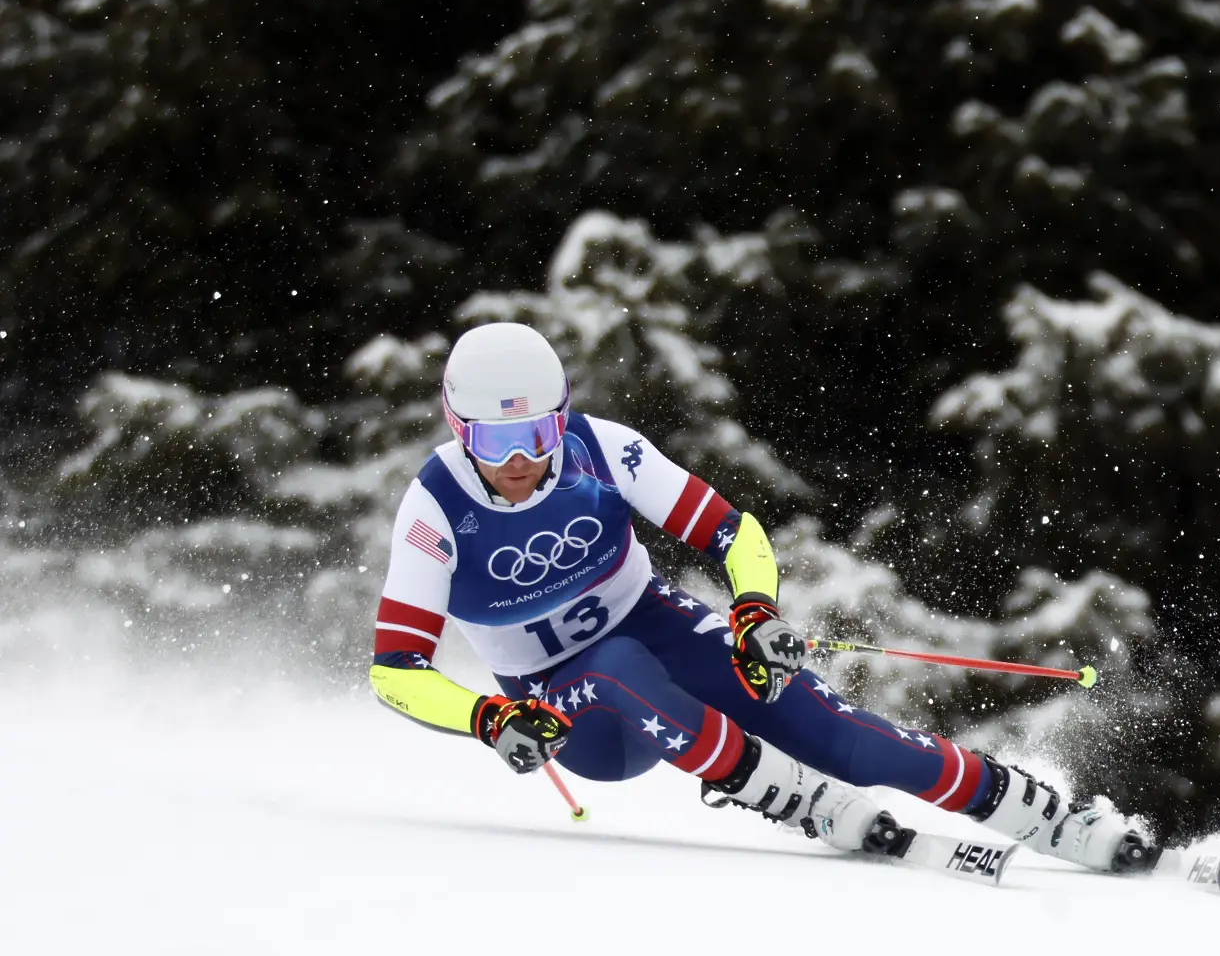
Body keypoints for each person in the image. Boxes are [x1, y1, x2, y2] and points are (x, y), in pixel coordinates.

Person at [368, 322, 1157, 871]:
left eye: (538, 435)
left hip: (659, 628)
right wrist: (488, 717)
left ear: (562, 419)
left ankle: (1042, 813)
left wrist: (753, 610)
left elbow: (731, 531)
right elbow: (394, 671)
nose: (520, 461)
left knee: (840, 737)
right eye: (496, 441)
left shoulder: (602, 451)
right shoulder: (433, 512)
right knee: (614, 665)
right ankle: (788, 796)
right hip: (568, 712)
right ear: (458, 429)